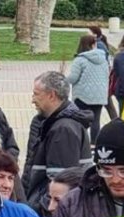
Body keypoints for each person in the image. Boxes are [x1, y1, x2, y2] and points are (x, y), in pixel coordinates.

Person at [22, 71, 92, 208]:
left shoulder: (63, 130)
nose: (32, 99)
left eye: (36, 94)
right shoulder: (57, 124)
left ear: (51, 95)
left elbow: (61, 184)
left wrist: (41, 210)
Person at [65, 35, 108, 144]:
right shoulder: (104, 59)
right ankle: (94, 144)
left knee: (81, 120)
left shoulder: (80, 60)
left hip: (83, 95)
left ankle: (81, 143)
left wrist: (63, 79)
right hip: (100, 95)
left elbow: (73, 78)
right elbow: (107, 75)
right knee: (96, 121)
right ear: (94, 45)